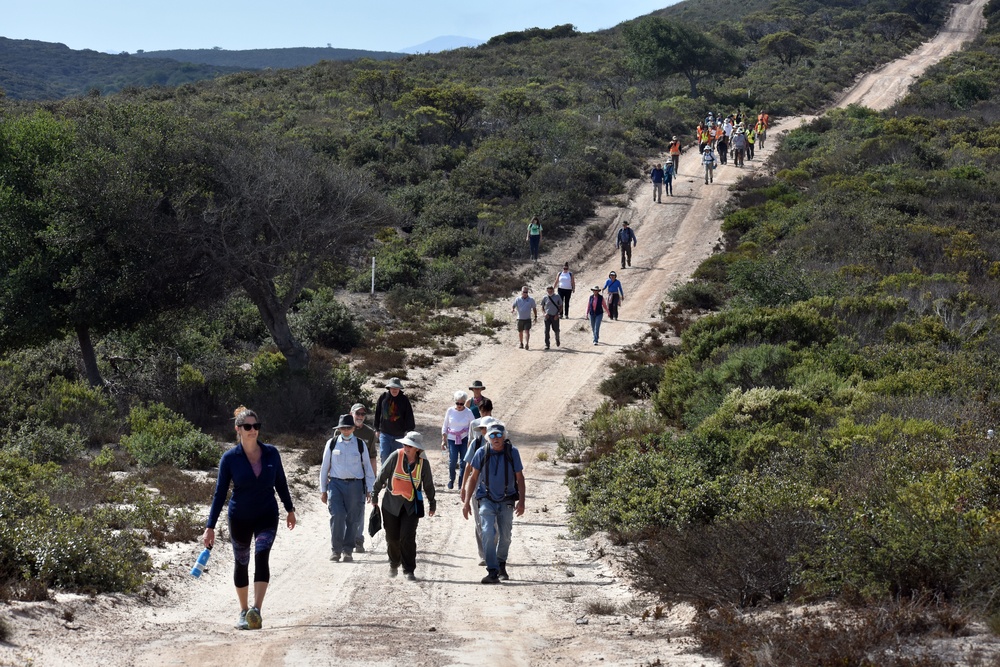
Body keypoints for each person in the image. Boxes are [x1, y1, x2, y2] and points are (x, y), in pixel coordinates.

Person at [203, 406, 296, 631]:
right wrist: (210, 526)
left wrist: (290, 509)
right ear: (238, 429)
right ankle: (243, 611)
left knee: (262, 557)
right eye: (248, 427)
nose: (253, 430)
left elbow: (281, 483)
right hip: (240, 517)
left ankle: (257, 610)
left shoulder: (272, 453)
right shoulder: (229, 458)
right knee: (242, 562)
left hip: (267, 514)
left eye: (256, 426)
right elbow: (220, 493)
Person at [462, 421, 525, 584]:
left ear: (504, 436)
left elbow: (520, 477)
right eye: (492, 435)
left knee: (505, 536)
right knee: (487, 533)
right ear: (487, 437)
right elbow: (473, 477)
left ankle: (501, 563)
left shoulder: (513, 453)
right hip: (486, 499)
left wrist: (522, 502)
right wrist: (466, 501)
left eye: (499, 435)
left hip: (507, 500)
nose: (496, 438)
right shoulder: (481, 452)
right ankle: (492, 570)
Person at [371, 431, 436, 581]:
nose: (406, 447)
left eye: (410, 445)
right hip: (390, 505)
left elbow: (428, 485)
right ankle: (394, 563)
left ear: (417, 449)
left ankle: (409, 570)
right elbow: (382, 475)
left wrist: (432, 503)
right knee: (392, 538)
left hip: (411, 506)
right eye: (405, 444)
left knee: (407, 537)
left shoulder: (423, 464)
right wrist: (374, 495)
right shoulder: (396, 456)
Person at [320, 414, 375, 563]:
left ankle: (348, 551)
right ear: (339, 429)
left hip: (356, 485)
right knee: (337, 515)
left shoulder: (359, 444)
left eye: (348, 427)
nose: (346, 430)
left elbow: (367, 467)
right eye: (343, 428)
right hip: (336, 485)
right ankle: (336, 550)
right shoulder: (331, 444)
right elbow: (325, 468)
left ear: (353, 428)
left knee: (353, 519)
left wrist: (370, 488)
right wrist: (323, 490)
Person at [460, 416, 497, 566]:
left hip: (496, 488)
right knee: (479, 521)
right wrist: (463, 487)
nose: (482, 431)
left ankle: (492, 551)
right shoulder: (475, 444)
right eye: (481, 428)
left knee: (494, 523)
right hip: (477, 487)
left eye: (485, 428)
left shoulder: (501, 444)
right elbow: (468, 467)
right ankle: (484, 555)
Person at [350, 403, 378, 553]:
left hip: (361, 477)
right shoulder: (342, 430)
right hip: (343, 477)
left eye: (362, 414)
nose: (360, 417)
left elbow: (373, 458)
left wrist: (372, 484)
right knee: (344, 511)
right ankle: (345, 540)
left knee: (359, 509)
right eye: (357, 414)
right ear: (351, 414)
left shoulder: (369, 433)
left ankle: (358, 540)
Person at [374, 377, 416, 464]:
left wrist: (410, 431)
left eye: (396, 388)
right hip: (385, 434)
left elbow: (409, 416)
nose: (394, 390)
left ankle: (393, 477)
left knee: (397, 459)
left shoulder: (404, 400)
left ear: (400, 388)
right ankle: (384, 477)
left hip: (399, 436)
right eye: (393, 388)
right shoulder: (383, 397)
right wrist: (377, 429)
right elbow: (377, 413)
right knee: (384, 456)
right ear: (389, 388)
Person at [441, 390, 476, 490]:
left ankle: (461, 483)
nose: (460, 405)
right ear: (455, 402)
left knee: (463, 462)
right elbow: (445, 425)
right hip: (452, 439)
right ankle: (451, 479)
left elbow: (473, 425)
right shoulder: (450, 411)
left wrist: (471, 439)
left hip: (464, 438)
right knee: (452, 461)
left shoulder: (468, 412)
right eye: (458, 403)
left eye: (462, 403)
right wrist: (444, 439)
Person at [511, 285, 537, 350]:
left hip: (527, 319)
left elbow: (534, 308)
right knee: (520, 332)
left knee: (527, 331)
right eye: (524, 292)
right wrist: (512, 309)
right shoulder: (518, 299)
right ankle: (521, 343)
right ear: (521, 292)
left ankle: (527, 343)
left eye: (526, 292)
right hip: (520, 319)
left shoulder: (531, 300)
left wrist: (535, 316)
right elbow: (513, 305)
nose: (525, 293)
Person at [540, 285, 563, 349]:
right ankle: (547, 344)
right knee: (546, 330)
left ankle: (557, 339)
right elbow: (542, 307)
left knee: (556, 330)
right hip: (547, 316)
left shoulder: (557, 296)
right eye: (548, 291)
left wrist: (558, 314)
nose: (550, 292)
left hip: (555, 316)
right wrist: (544, 314)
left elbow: (561, 306)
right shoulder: (545, 297)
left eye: (551, 291)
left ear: (553, 290)